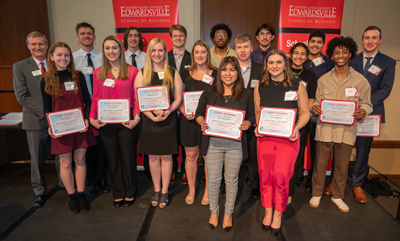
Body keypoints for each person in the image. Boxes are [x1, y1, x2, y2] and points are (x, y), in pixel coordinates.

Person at [309, 36, 372, 213]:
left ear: (350, 53)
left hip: (346, 131)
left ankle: (337, 196)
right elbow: (317, 102)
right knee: (320, 164)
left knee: (342, 166)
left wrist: (364, 111)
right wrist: (315, 108)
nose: (340, 55)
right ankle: (316, 193)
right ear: (332, 55)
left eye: (344, 52)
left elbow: (368, 103)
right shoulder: (323, 80)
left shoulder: (360, 81)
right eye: (337, 52)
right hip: (325, 130)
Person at [196, 56, 255, 232]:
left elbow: (252, 116)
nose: (228, 73)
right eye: (224, 69)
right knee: (213, 181)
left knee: (231, 180)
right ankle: (214, 212)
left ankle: (228, 213)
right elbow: (199, 113)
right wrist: (202, 122)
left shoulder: (245, 94)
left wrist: (248, 124)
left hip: (235, 145)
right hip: (213, 143)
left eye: (232, 69)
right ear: (219, 72)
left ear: (238, 72)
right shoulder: (209, 91)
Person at [254, 50, 309, 235]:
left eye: (279, 62)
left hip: (288, 138)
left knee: (281, 176)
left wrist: (297, 127)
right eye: (271, 62)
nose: (275, 66)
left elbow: (305, 113)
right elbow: (257, 113)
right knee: (265, 176)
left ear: (285, 63)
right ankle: (268, 211)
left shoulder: (297, 85)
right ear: (266, 65)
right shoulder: (260, 86)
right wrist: (257, 126)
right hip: (265, 139)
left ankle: (278, 213)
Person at [40, 42, 95, 214]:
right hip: (61, 128)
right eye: (59, 55)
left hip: (79, 126)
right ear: (51, 57)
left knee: (80, 161)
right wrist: (50, 125)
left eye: (66, 55)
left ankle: (81, 194)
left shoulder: (77, 76)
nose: (63, 58)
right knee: (65, 163)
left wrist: (86, 119)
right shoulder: (46, 79)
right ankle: (71, 195)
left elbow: (88, 100)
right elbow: (46, 107)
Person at [90, 36, 140, 208]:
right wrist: (91, 118)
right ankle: (118, 192)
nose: (111, 51)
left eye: (114, 48)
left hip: (127, 123)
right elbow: (95, 98)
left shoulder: (133, 71)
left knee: (128, 157)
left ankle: (130, 191)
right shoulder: (98, 72)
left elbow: (137, 99)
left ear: (121, 49)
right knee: (113, 158)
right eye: (107, 48)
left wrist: (137, 119)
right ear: (103, 51)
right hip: (106, 124)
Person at [13, 31, 60, 208]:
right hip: (35, 120)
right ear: (28, 46)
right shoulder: (20, 66)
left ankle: (63, 183)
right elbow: (21, 96)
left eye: (41, 44)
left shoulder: (55, 63)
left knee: (60, 153)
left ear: (47, 45)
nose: (38, 47)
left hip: (56, 119)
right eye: (34, 44)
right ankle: (40, 192)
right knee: (37, 157)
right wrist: (45, 112)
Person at [349, 26, 396, 203]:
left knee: (362, 149)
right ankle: (336, 182)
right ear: (362, 40)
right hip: (349, 111)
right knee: (342, 146)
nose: (370, 41)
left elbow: (385, 89)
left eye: (374, 38)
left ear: (379, 40)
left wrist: (365, 106)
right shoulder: (352, 59)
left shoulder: (388, 62)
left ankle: (357, 184)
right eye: (366, 38)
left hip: (370, 113)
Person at [135, 38, 183, 208]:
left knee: (167, 156)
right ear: (149, 53)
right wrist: (152, 116)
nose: (157, 54)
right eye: (154, 50)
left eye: (161, 50)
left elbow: (178, 98)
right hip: (149, 122)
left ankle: (164, 191)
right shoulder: (142, 73)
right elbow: (139, 100)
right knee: (153, 157)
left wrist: (168, 110)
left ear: (165, 52)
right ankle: (156, 189)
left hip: (168, 120)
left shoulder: (172, 72)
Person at [73, 22, 109, 197]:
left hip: (103, 107)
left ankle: (102, 178)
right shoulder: (71, 59)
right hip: (82, 109)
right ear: (78, 37)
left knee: (102, 145)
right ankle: (90, 182)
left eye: (89, 34)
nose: (86, 36)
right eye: (83, 34)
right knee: (86, 148)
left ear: (94, 37)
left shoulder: (103, 58)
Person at [179, 40, 217, 205]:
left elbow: (220, 97)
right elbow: (178, 97)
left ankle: (208, 191)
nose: (200, 55)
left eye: (203, 52)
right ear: (192, 55)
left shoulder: (216, 73)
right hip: (189, 121)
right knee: (191, 155)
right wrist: (184, 111)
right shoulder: (185, 73)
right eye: (197, 52)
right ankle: (192, 190)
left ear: (207, 54)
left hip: (208, 122)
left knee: (208, 157)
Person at [304, 30, 335, 192]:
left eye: (319, 42)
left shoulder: (329, 64)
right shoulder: (299, 59)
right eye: (312, 41)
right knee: (298, 147)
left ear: (323, 44)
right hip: (300, 113)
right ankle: (295, 177)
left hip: (318, 113)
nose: (315, 44)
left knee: (317, 150)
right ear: (307, 42)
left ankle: (312, 179)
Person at [287, 43, 318, 204]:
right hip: (283, 121)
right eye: (296, 53)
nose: (299, 56)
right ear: (290, 55)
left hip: (301, 122)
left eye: (303, 54)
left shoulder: (310, 76)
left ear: (306, 57)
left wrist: (302, 116)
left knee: (297, 154)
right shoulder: (282, 71)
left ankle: (294, 182)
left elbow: (311, 100)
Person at [234, 34, 263, 200]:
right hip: (233, 120)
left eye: (246, 46)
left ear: (252, 48)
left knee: (253, 156)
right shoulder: (230, 68)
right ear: (235, 49)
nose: (243, 50)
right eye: (239, 47)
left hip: (253, 120)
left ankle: (254, 186)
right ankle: (229, 185)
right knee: (231, 155)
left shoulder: (261, 69)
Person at [168, 24, 192, 184]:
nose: (178, 38)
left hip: (187, 106)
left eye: (181, 35)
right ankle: (173, 168)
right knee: (171, 138)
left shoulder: (193, 57)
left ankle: (184, 169)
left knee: (185, 139)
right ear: (171, 38)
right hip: (168, 105)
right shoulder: (163, 56)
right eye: (175, 36)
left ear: (185, 37)